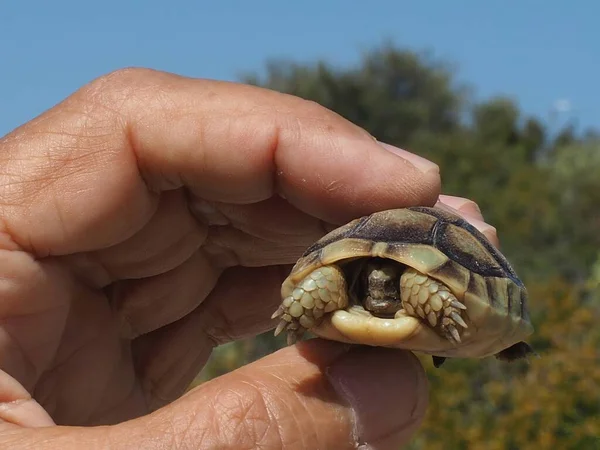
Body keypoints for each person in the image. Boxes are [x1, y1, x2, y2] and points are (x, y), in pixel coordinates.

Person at [0, 68, 499, 449]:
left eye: (392, 282)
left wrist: (435, 296)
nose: (380, 288)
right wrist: (307, 299)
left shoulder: (418, 284)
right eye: (376, 280)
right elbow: (319, 283)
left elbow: (422, 282)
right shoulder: (343, 282)